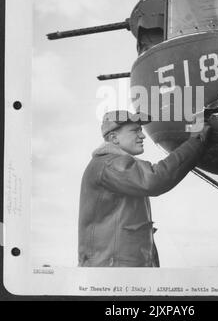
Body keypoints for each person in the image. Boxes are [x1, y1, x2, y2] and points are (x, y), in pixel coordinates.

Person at [78, 110, 210, 267]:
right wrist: (196, 140)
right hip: (114, 271)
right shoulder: (109, 164)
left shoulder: (111, 164)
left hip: (116, 269)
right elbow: (155, 178)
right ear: (114, 138)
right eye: (135, 130)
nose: (143, 136)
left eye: (141, 130)